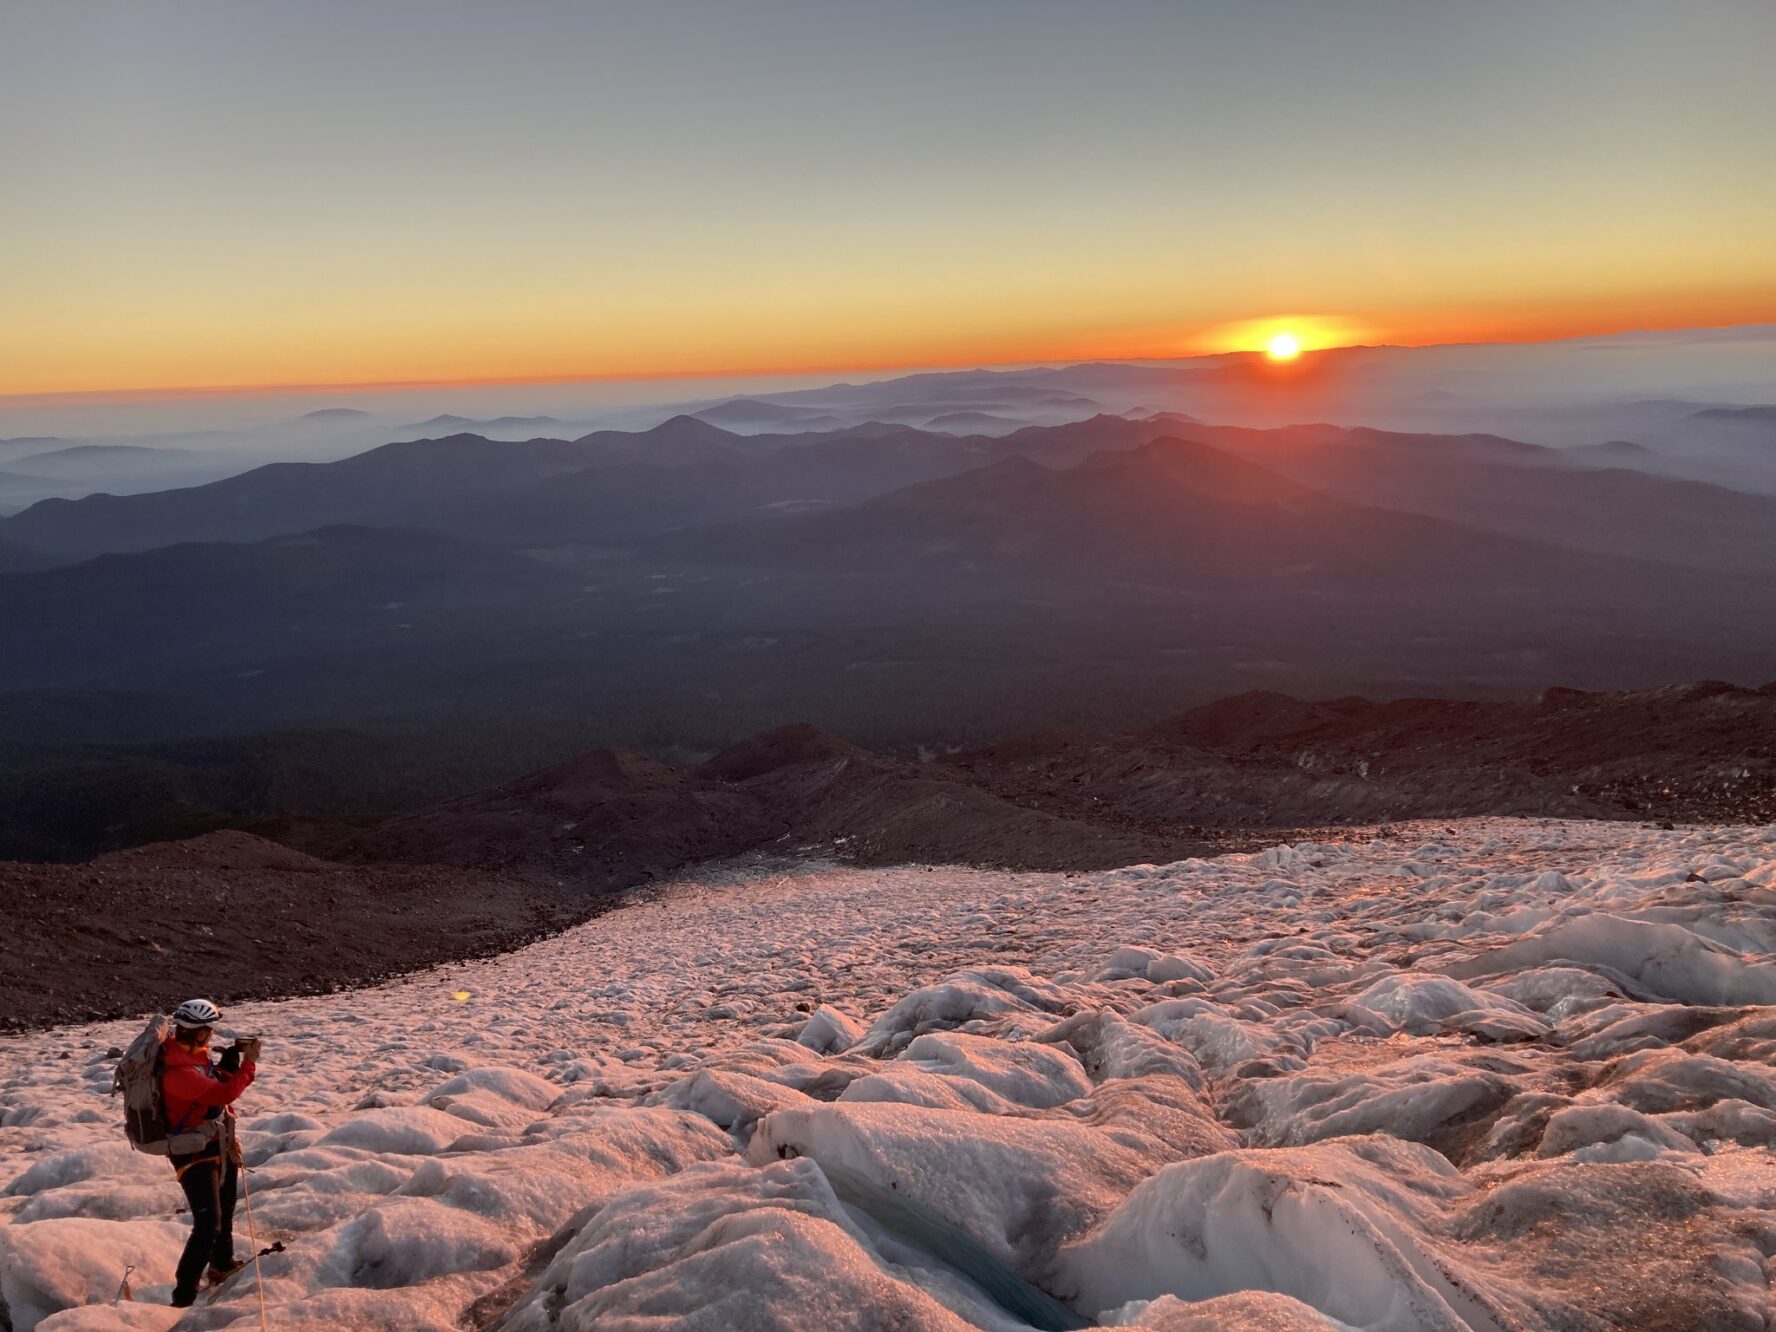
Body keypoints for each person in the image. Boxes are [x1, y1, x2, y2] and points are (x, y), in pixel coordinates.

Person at [161, 998, 260, 1308]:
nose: (211, 1037)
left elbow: (215, 1081)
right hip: (192, 1151)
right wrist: (249, 1064)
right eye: (208, 1031)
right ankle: (183, 1296)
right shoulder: (177, 1071)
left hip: (214, 1140)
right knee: (208, 1223)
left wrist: (229, 1062)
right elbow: (223, 1092)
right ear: (197, 1032)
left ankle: (221, 1264)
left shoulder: (192, 1057)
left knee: (226, 1204)